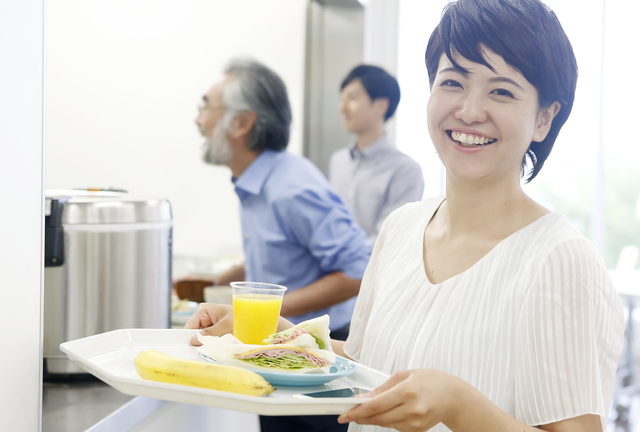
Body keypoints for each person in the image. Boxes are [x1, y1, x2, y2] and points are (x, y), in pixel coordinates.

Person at [187, 1, 625, 431]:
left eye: (501, 91)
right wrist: (276, 335)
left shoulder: (562, 260)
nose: (470, 111)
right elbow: (369, 368)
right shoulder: (401, 228)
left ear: (544, 118)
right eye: (452, 82)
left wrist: (458, 404)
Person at [190, 58, 371, 432]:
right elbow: (282, 248)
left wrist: (266, 312)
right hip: (275, 346)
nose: (198, 120)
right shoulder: (256, 181)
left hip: (318, 354)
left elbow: (359, 269)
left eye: (205, 106)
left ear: (241, 123)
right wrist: (230, 276)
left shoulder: (290, 188)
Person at [329, 65, 424, 242]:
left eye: (352, 98)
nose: (342, 108)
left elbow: (389, 239)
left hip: (374, 268)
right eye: (341, 99)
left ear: (380, 106)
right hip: (333, 266)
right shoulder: (338, 161)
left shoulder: (406, 171)